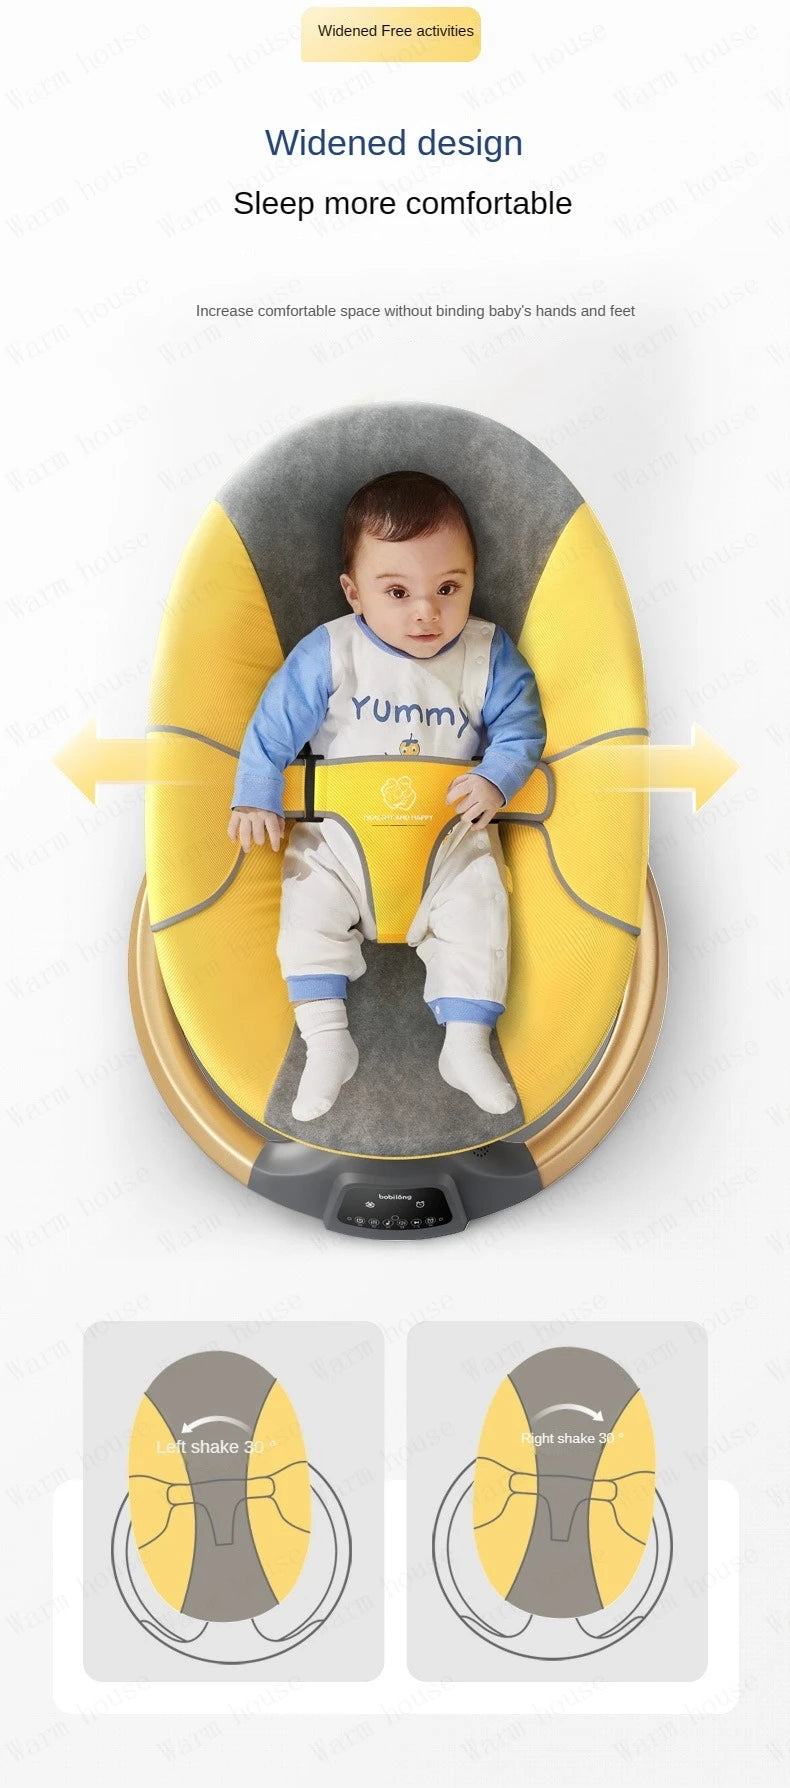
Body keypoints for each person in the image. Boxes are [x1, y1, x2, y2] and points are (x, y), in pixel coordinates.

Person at [229, 470, 545, 1122]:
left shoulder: (487, 655)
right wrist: (256, 793)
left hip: (448, 848)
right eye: (397, 591)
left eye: (449, 588)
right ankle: (326, 1041)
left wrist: (497, 775)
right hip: (338, 847)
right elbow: (273, 722)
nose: (427, 611)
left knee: (480, 913)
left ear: (471, 583)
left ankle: (464, 1044)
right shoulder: (331, 652)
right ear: (354, 593)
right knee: (305, 909)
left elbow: (521, 724)